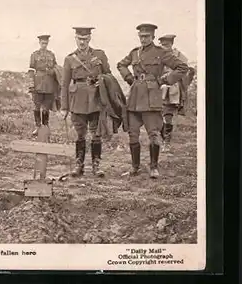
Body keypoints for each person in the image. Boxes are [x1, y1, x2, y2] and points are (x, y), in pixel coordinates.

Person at [117, 24, 189, 179]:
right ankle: (135, 167)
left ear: (153, 37)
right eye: (141, 36)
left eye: (147, 36)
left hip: (152, 99)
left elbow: (182, 67)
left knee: (154, 134)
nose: (143, 39)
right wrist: (129, 79)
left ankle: (154, 167)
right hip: (135, 99)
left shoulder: (161, 52)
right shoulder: (134, 53)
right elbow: (121, 65)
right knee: (133, 134)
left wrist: (165, 79)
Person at [60, 27, 112, 177]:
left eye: (85, 39)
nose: (82, 42)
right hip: (77, 101)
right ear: (75, 39)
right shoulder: (69, 59)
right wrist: (64, 107)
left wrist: (101, 81)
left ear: (90, 39)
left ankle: (96, 165)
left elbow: (108, 75)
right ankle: (79, 165)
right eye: (79, 39)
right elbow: (64, 84)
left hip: (96, 99)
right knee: (80, 134)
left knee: (96, 134)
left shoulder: (99, 55)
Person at [158, 34, 195, 152]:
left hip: (172, 89)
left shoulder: (179, 56)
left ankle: (166, 142)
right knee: (158, 116)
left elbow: (184, 71)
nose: (164, 47)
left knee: (168, 116)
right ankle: (162, 138)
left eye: (167, 45)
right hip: (158, 88)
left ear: (172, 44)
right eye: (162, 45)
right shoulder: (158, 56)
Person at [28, 34, 59, 136]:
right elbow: (31, 70)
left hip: (49, 84)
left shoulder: (51, 55)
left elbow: (56, 68)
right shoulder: (34, 55)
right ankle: (37, 126)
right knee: (37, 106)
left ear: (47, 43)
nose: (44, 45)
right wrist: (31, 84)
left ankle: (45, 126)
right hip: (38, 84)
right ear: (39, 43)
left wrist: (53, 72)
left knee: (46, 107)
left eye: (46, 43)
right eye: (42, 43)